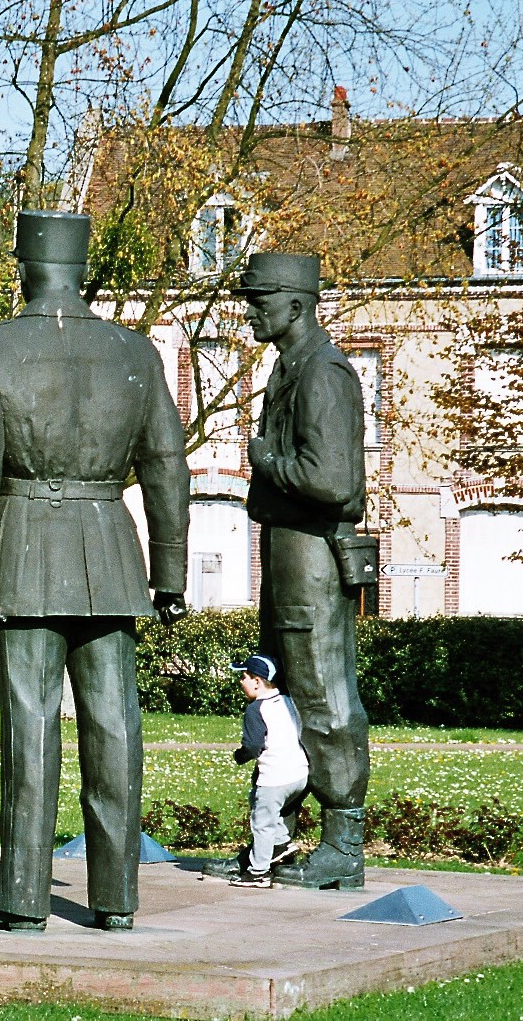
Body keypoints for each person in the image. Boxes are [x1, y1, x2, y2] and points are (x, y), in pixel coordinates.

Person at [0, 210, 190, 933]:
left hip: (25, 551)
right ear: (82, 271)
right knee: (115, 724)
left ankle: (22, 897)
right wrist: (169, 571)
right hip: (111, 552)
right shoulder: (135, 352)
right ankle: (115, 898)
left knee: (30, 725)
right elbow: (166, 467)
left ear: (24, 268)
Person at [217, 251, 371, 890]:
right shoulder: (291, 369)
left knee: (320, 687)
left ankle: (343, 843)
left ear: (297, 305)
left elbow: (335, 480)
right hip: (288, 548)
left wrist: (265, 460)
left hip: (312, 551)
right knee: (280, 687)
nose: (250, 310)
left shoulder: (322, 375)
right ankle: (276, 835)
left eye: (259, 300)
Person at [223, 654, 308, 888]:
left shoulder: (255, 710)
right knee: (266, 808)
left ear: (257, 682)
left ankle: (258, 872)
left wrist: (239, 756)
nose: (241, 682)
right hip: (299, 775)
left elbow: (253, 746)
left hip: (275, 777)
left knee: (261, 822)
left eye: (244, 677)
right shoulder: (286, 700)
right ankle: (282, 844)